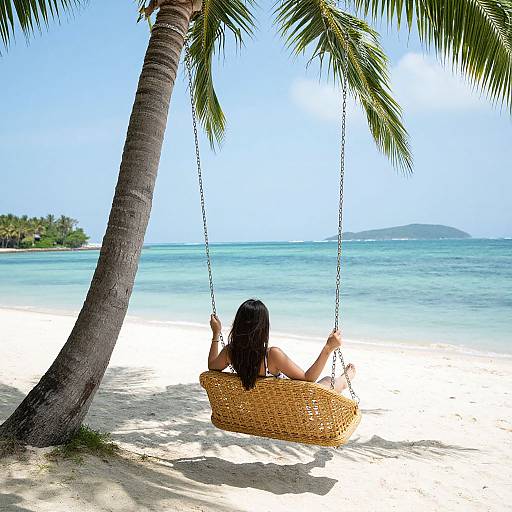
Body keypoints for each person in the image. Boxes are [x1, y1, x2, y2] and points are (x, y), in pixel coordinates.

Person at [207, 298, 356, 392]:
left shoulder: (230, 352)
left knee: (326, 380)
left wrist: (216, 333)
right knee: (329, 381)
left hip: (259, 412)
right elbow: (308, 379)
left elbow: (212, 366)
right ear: (264, 327)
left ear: (238, 324)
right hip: (288, 412)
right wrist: (328, 348)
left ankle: (342, 379)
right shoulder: (272, 355)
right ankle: (344, 380)